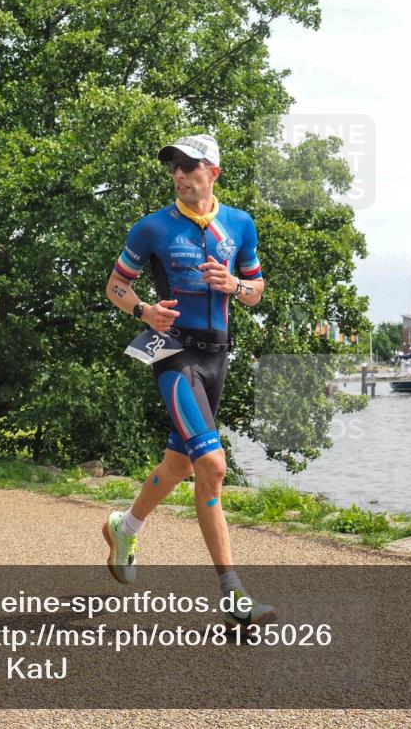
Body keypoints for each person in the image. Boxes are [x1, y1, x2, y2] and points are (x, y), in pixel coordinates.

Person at [103, 133, 273, 631]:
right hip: (174, 354)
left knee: (179, 463)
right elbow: (115, 284)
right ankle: (235, 596)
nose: (179, 174)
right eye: (173, 167)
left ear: (212, 172)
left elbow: (256, 292)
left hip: (218, 358)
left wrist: (236, 286)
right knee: (213, 466)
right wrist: (142, 309)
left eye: (189, 166)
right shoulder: (152, 228)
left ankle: (125, 525)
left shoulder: (240, 223)